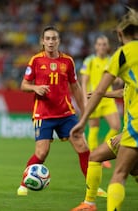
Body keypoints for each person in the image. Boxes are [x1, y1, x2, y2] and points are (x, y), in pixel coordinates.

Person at [70, 7, 138, 211]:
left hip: (134, 128)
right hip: (130, 129)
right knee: (123, 166)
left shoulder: (122, 55)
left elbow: (99, 89)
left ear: (119, 34)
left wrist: (81, 121)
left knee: (118, 175)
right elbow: (126, 90)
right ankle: (89, 203)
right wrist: (109, 94)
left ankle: (93, 204)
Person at [17, 26, 90, 196]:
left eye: (54, 38)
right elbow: (23, 85)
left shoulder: (68, 62)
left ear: (59, 41)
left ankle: (92, 187)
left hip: (66, 113)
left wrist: (85, 111)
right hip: (43, 114)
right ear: (42, 41)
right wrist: (35, 88)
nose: (51, 42)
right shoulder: (35, 60)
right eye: (47, 38)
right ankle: (23, 184)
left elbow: (76, 87)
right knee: (42, 152)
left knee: (82, 147)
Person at [80, 34, 121, 169]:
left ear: (107, 46)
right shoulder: (90, 60)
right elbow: (84, 81)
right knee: (94, 128)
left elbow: (115, 79)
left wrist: (119, 80)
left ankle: (103, 151)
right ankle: (93, 157)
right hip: (94, 98)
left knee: (116, 126)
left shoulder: (111, 60)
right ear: (95, 46)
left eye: (104, 44)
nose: (102, 47)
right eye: (99, 44)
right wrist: (85, 99)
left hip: (107, 99)